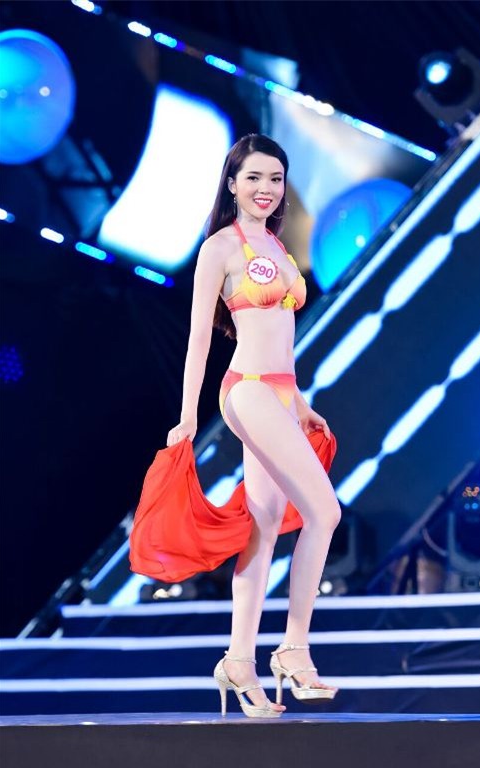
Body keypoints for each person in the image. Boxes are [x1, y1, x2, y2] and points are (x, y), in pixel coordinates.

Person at [161, 134, 342, 717]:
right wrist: (188, 414)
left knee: (263, 528)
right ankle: (294, 648)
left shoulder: (278, 247)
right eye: (254, 177)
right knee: (324, 512)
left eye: (276, 179)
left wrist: (301, 403)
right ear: (232, 183)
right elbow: (198, 337)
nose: (266, 189)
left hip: (282, 394)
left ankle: (238, 659)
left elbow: (281, 342)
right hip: (247, 391)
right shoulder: (220, 247)